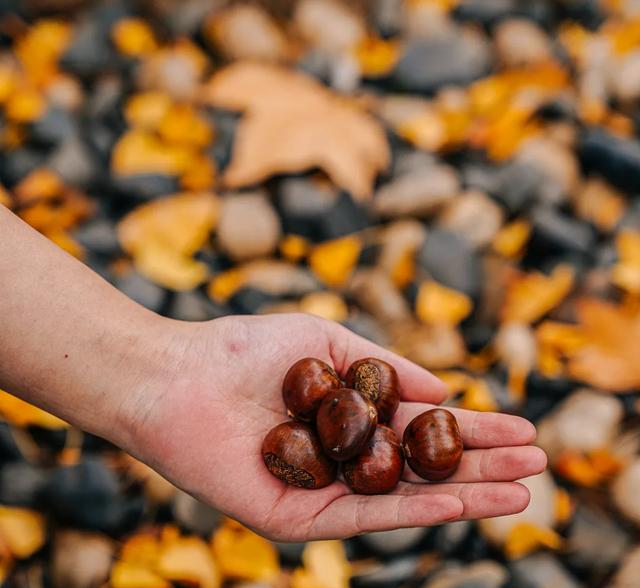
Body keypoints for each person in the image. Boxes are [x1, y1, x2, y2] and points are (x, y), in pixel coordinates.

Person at [0, 205, 546, 541]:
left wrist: (153, 378)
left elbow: (345, 417)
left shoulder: (345, 413)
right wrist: (155, 378)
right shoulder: (344, 413)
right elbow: (345, 416)